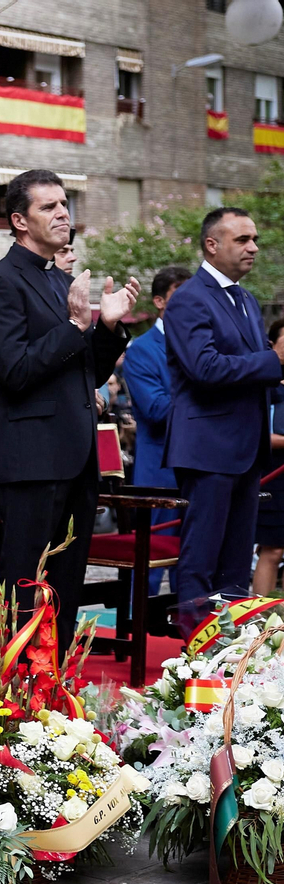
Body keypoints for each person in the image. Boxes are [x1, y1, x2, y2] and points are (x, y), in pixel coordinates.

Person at [0, 169, 137, 647]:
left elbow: (87, 371)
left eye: (64, 203)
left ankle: (55, 697)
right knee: (27, 591)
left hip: (76, 456)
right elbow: (15, 371)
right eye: (49, 206)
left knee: (64, 590)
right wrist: (74, 326)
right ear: (20, 220)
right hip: (31, 461)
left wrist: (105, 328)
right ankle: (13, 700)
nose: (63, 212)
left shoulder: (55, 279)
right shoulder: (0, 282)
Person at [163, 207, 284, 633]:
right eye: (242, 240)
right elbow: (204, 368)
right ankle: (195, 653)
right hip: (208, 447)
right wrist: (274, 360)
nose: (253, 247)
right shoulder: (189, 299)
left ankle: (232, 651)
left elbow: (256, 372)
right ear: (212, 245)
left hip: (247, 448)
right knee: (201, 558)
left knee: (236, 560)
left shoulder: (246, 298)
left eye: (254, 239)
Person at [122, 266, 192, 599]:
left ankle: (191, 626)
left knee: (194, 559)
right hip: (160, 469)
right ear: (160, 301)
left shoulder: (203, 343)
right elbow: (155, 410)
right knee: (151, 559)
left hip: (200, 465)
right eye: (182, 295)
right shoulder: (142, 349)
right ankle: (139, 628)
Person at [254, 351, 284, 596]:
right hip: (273, 476)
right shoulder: (269, 385)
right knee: (272, 549)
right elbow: (261, 434)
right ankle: (259, 621)